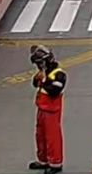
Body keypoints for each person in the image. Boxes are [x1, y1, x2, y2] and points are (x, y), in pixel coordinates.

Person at [29, 45, 66, 174]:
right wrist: (38, 78)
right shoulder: (45, 73)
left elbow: (54, 91)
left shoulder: (59, 75)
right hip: (42, 108)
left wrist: (44, 80)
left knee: (52, 137)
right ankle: (43, 160)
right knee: (40, 135)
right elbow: (35, 84)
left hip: (52, 111)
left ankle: (55, 163)